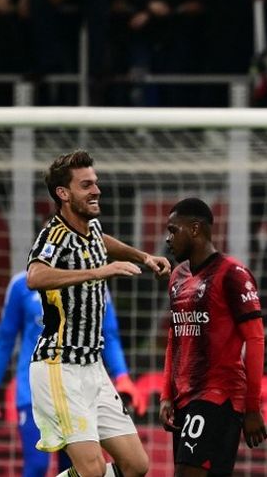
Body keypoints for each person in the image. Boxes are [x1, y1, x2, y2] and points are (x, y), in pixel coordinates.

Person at [26, 149, 171, 477]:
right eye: (86, 185)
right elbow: (35, 275)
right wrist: (98, 272)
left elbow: (101, 241)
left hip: (93, 367)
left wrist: (143, 256)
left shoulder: (90, 228)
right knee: (90, 471)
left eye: (96, 183)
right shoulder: (54, 235)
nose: (96, 190)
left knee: (136, 466)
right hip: (59, 366)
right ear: (63, 194)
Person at [0, 270, 147, 477]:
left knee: (80, 468)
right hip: (35, 391)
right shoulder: (22, 284)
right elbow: (5, 339)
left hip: (79, 390)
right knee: (37, 466)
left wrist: (122, 377)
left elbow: (109, 334)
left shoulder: (96, 281)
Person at [159, 198, 267, 476]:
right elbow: (175, 338)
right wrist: (166, 396)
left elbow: (255, 340)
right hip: (184, 399)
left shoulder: (233, 274)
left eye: (173, 230)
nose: (168, 239)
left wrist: (253, 407)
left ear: (195, 229)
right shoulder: (177, 277)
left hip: (219, 397)